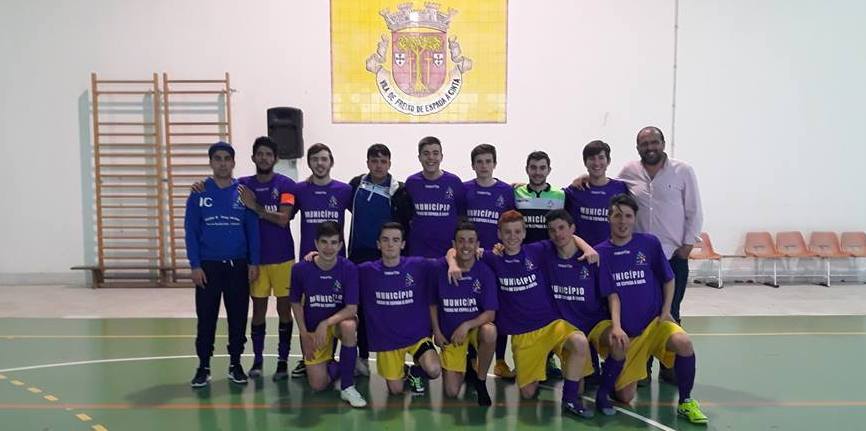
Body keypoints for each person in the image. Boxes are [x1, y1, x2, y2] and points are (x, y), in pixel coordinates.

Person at [448, 210, 596, 418]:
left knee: (580, 342)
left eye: (517, 231)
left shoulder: (537, 250)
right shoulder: (491, 257)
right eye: (507, 232)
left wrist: (587, 248)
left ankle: (570, 399)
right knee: (528, 393)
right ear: (499, 234)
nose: (512, 237)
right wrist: (453, 264)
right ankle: (548, 363)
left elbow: (568, 237)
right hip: (523, 334)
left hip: (550, 324)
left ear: (524, 233)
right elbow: (454, 251)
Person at [592, 194, 708, 424]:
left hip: (654, 323)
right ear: (609, 218)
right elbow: (611, 295)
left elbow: (668, 279)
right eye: (617, 216)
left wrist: (666, 311)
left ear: (635, 219)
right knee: (625, 397)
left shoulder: (649, 243)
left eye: (628, 216)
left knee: (684, 343)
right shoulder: (601, 253)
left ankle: (685, 401)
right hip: (627, 332)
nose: (622, 221)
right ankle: (615, 374)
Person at [185, 142, 260, 388]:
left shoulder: (243, 193)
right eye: (217, 158)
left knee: (237, 318)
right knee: (206, 318)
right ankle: (203, 365)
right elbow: (191, 232)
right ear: (211, 162)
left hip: (238, 266)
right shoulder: (198, 193)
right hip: (208, 267)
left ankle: (235, 363)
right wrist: (195, 265)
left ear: (234, 162)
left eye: (227, 158)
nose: (222, 163)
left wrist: (254, 262)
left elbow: (252, 230)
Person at [347, 143, 412, 376]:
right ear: (367, 163)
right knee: (360, 309)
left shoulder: (399, 190)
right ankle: (362, 357)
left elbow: (405, 226)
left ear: (389, 164)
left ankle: (399, 356)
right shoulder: (356, 186)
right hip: (358, 257)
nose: (378, 165)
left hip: (387, 258)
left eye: (383, 161)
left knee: (391, 308)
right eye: (374, 161)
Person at [358, 222, 442, 395]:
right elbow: (338, 268)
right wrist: (316, 256)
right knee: (396, 391)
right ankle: (405, 371)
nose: (390, 244)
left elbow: (446, 261)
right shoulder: (366, 271)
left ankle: (416, 371)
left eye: (395, 240)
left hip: (416, 337)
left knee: (434, 369)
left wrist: (456, 261)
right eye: (386, 240)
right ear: (378, 244)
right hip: (388, 342)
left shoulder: (418, 265)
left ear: (403, 244)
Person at [289, 221, 367, 408]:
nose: (329, 247)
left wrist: (326, 323)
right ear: (316, 244)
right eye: (324, 242)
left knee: (348, 326)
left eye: (334, 242)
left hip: (338, 322)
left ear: (340, 245)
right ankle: (344, 365)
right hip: (313, 328)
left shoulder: (348, 268)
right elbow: (295, 302)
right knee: (318, 385)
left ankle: (347, 386)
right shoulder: (300, 269)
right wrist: (304, 333)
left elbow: (351, 309)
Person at [292, 143, 353, 377]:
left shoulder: (344, 191)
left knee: (336, 308)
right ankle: (308, 355)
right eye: (315, 159)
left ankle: (335, 357)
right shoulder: (299, 190)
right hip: (309, 265)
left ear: (331, 162)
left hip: (337, 263)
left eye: (324, 159)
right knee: (309, 310)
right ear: (309, 163)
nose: (320, 163)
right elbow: (283, 214)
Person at [462, 144, 517, 379]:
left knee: (498, 309)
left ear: (494, 164)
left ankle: (501, 361)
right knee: (472, 306)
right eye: (479, 162)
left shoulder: (506, 192)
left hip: (496, 260)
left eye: (488, 161)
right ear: (473, 165)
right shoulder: (464, 190)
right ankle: (471, 357)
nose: (483, 166)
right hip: (470, 260)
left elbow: (512, 223)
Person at [430, 221, 497, 406]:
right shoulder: (440, 269)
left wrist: (466, 325)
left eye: (470, 241)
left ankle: (480, 380)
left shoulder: (485, 272)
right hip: (451, 334)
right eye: (461, 241)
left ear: (477, 245)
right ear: (453, 244)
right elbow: (433, 303)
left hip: (473, 329)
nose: (466, 246)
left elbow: (490, 314)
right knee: (451, 392)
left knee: (490, 332)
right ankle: (468, 362)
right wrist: (436, 331)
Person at [542, 210, 609, 393]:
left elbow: (610, 295)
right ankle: (572, 395)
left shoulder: (592, 258)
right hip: (569, 333)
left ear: (573, 228)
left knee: (617, 342)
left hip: (592, 325)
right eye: (552, 230)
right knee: (578, 389)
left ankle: (610, 380)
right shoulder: (545, 254)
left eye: (562, 228)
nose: (558, 234)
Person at [405, 136, 466, 257]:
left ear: (441, 156)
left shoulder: (454, 182)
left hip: (448, 255)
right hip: (417, 254)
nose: (431, 158)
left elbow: (462, 216)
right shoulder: (411, 183)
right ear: (419, 157)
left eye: (435, 153)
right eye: (426, 153)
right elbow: (407, 216)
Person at [564, 140, 629, 247]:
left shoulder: (620, 188)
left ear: (608, 161)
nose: (596, 163)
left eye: (601, 157)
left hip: (611, 254)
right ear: (585, 162)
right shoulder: (574, 190)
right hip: (580, 255)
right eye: (592, 158)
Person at [514, 151, 565, 244]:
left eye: (542, 168)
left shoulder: (561, 195)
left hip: (551, 253)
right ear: (527, 169)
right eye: (533, 168)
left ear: (549, 170)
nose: (537, 172)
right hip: (524, 252)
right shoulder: (516, 193)